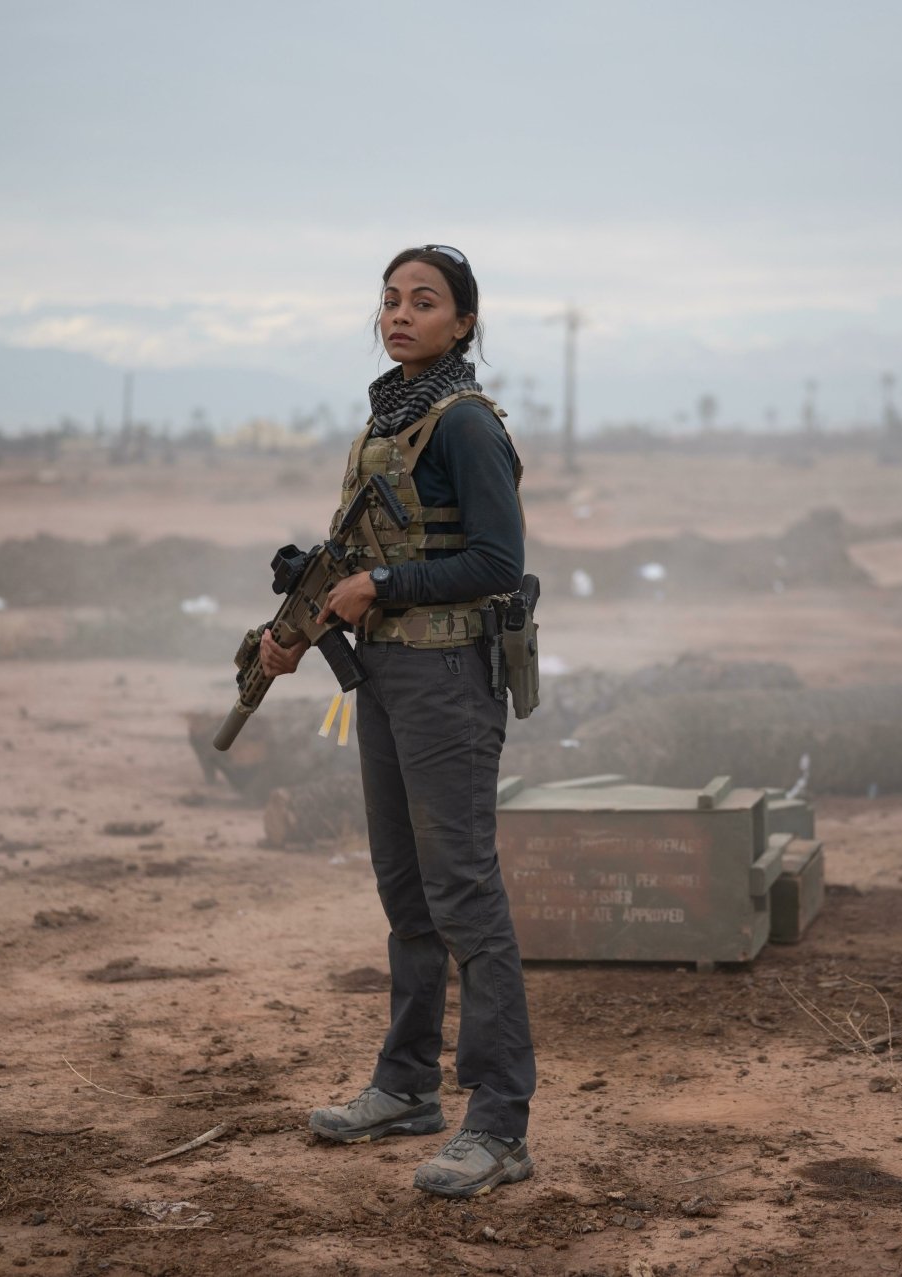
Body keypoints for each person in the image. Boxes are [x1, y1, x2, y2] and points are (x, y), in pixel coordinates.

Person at [258, 244, 536, 1198]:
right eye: (389, 299)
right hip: (384, 678)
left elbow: (497, 559)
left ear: (464, 323)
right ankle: (408, 1087)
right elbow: (348, 552)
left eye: (425, 301)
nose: (401, 313)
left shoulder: (464, 426)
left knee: (465, 895)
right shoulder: (386, 422)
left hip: (450, 679)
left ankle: (499, 1124)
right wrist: (292, 628)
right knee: (406, 893)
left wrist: (384, 584)